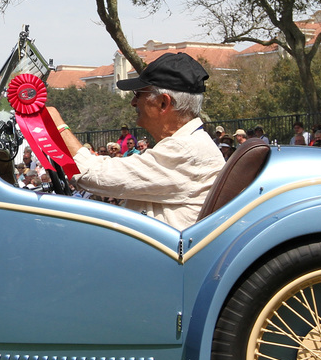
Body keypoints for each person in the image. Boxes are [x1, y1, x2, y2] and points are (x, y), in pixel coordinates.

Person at [42, 52, 224, 228]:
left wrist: (58, 126)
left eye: (139, 94)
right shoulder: (190, 144)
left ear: (163, 103)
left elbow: (93, 174)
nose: (133, 103)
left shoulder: (186, 149)